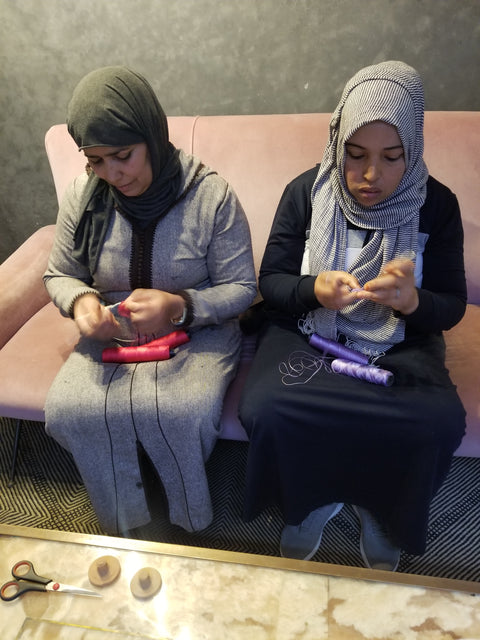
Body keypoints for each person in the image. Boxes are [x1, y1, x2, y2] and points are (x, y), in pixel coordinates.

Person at [238, 61, 466, 571]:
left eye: (391, 158)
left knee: (436, 421)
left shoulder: (437, 205)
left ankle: (383, 509)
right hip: (310, 330)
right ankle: (308, 501)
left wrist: (412, 301)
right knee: (269, 408)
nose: (370, 176)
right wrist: (312, 290)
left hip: (402, 339)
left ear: (414, 150)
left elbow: (450, 304)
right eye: (355, 155)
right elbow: (271, 282)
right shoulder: (307, 193)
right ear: (336, 145)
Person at [43, 66, 256, 536]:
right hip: (112, 330)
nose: (112, 174)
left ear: (153, 136)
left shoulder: (210, 197)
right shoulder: (85, 196)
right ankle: (126, 523)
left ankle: (185, 521)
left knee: (176, 410)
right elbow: (60, 273)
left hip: (196, 330)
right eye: (95, 160)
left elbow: (242, 288)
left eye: (123, 155)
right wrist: (81, 304)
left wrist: (178, 306)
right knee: (69, 408)